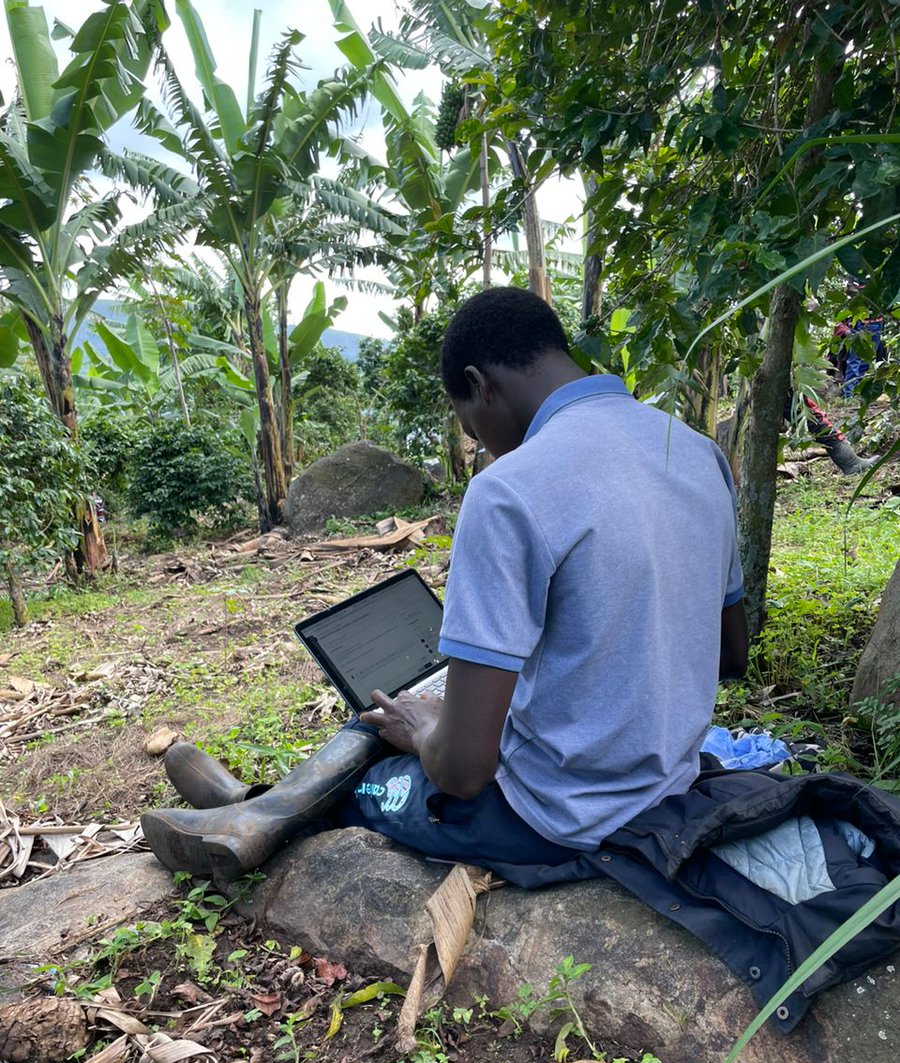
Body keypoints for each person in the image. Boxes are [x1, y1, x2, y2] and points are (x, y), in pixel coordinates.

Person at [141, 288, 748, 883]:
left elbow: (461, 773)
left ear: (480, 385)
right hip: (668, 783)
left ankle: (256, 818)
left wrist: (427, 730)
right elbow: (729, 654)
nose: (480, 444)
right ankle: (250, 805)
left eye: (470, 428)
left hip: (556, 817)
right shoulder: (696, 452)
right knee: (408, 711)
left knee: (380, 748)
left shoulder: (509, 489)